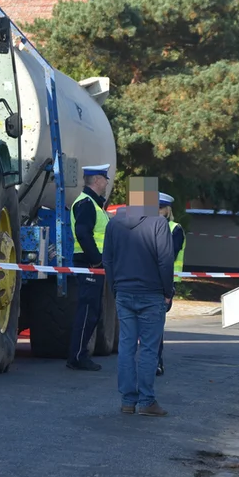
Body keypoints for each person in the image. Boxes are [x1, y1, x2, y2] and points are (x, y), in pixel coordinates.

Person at [104, 178, 175, 417]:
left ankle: (127, 400)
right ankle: (147, 401)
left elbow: (108, 260)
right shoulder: (159, 223)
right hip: (152, 294)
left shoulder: (114, 224)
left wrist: (115, 288)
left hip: (124, 293)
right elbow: (165, 261)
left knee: (126, 347)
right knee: (148, 349)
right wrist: (168, 291)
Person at [66, 163, 111, 372]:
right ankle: (77, 356)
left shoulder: (94, 204)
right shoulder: (86, 203)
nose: (107, 183)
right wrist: (97, 260)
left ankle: (79, 354)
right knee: (87, 311)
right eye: (105, 179)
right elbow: (83, 233)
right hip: (89, 264)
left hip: (93, 264)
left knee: (93, 311)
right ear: (97, 180)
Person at [156, 192, 184, 376]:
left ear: (167, 210)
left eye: (160, 208)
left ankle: (156, 362)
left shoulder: (175, 229)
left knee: (156, 324)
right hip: (148, 281)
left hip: (165, 281)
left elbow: (169, 256)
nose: (156, 212)